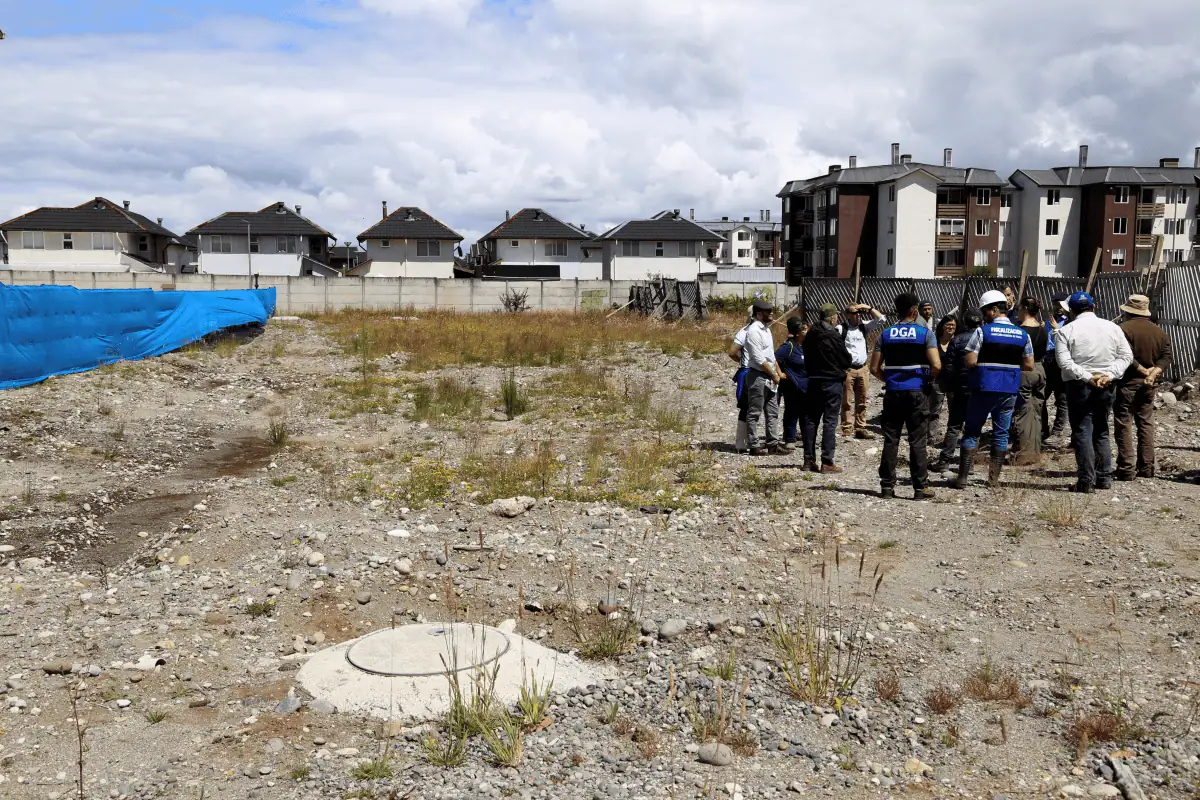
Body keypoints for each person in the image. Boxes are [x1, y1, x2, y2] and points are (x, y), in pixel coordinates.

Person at [1054, 291, 1134, 493]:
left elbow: (1064, 362)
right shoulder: (1113, 328)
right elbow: (1126, 356)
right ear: (1093, 306)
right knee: (1101, 429)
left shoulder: (1066, 331)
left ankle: (1086, 480)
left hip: (1079, 385)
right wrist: (1109, 375)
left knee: (1083, 430)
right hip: (1106, 384)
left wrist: (1088, 377)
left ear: (1071, 311)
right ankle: (1104, 477)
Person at [954, 290, 1034, 489]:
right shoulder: (1022, 334)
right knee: (1001, 433)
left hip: (984, 387)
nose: (984, 316)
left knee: (972, 431)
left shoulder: (982, 332)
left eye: (985, 311)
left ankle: (962, 479)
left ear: (994, 309)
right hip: (1008, 389)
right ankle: (993, 480)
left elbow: (970, 361)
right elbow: (1029, 364)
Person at [869, 292, 941, 500]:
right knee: (917, 440)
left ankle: (887, 487)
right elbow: (936, 365)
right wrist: (926, 379)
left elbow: (874, 368)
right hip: (917, 392)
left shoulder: (885, 334)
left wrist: (890, 379)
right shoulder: (925, 334)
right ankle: (920, 488)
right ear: (914, 310)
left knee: (891, 439)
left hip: (893, 393)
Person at [1114, 294, 1172, 481]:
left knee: (1124, 424)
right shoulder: (1159, 332)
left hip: (1128, 383)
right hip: (1149, 385)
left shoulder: (1122, 329)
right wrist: (1153, 373)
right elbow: (1166, 356)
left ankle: (1126, 468)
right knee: (1146, 424)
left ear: (1128, 311)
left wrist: (1142, 370)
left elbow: (1126, 355)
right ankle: (1147, 468)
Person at [802, 303, 853, 472]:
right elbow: (846, 359)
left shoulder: (810, 335)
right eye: (836, 316)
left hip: (813, 380)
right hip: (832, 381)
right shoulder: (833, 335)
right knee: (830, 421)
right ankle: (827, 461)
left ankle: (808, 461)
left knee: (811, 420)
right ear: (832, 318)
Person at [931, 309, 982, 472]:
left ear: (964, 322)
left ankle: (944, 462)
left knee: (954, 426)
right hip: (979, 388)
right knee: (973, 427)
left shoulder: (958, 339)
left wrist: (952, 384)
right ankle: (969, 464)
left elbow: (949, 365)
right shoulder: (986, 337)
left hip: (960, 388)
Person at [838, 303, 887, 439]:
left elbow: (882, 320)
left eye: (859, 312)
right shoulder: (841, 329)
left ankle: (860, 427)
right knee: (847, 401)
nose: (858, 315)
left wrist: (869, 308)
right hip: (848, 369)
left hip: (863, 368)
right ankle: (847, 427)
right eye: (854, 313)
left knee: (862, 399)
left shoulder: (863, 326)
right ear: (848, 315)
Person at [743, 300, 786, 456]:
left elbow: (770, 355)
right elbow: (758, 358)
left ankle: (772, 443)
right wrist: (774, 374)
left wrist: (777, 372)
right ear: (759, 314)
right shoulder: (753, 331)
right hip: (758, 375)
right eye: (768, 312)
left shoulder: (766, 330)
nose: (772, 314)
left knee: (773, 411)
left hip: (770, 376)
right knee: (755, 412)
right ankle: (754, 445)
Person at [1011, 297, 1049, 462]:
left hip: (1024, 370)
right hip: (1040, 369)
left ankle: (1024, 453)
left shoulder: (1020, 331)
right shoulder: (1043, 330)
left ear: (1025, 308)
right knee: (1036, 411)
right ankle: (1035, 449)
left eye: (1019, 308)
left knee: (1023, 412)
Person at [774, 317, 810, 453]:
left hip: (806, 385)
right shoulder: (788, 346)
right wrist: (780, 373)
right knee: (792, 412)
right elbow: (774, 358)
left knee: (806, 414)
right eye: (804, 329)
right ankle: (790, 439)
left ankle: (807, 439)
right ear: (797, 333)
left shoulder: (807, 346)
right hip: (792, 386)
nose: (807, 331)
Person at [1041, 293, 1071, 444]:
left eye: (1061, 305)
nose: (1058, 308)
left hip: (1060, 361)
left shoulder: (1069, 323)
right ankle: (1043, 428)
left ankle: (1057, 431)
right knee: (1041, 396)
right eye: (1055, 304)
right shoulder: (1047, 322)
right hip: (1047, 360)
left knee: (1062, 398)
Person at [727, 307, 755, 452]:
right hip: (748, 372)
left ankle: (750, 440)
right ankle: (741, 442)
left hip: (757, 372)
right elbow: (732, 352)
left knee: (755, 408)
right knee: (746, 407)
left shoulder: (763, 331)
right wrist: (743, 361)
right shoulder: (744, 332)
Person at [929, 315, 957, 431]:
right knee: (934, 410)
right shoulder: (934, 341)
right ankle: (931, 435)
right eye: (948, 324)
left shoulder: (958, 341)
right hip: (937, 380)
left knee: (954, 411)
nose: (950, 327)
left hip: (954, 381)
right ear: (942, 326)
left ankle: (952, 436)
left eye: (953, 325)